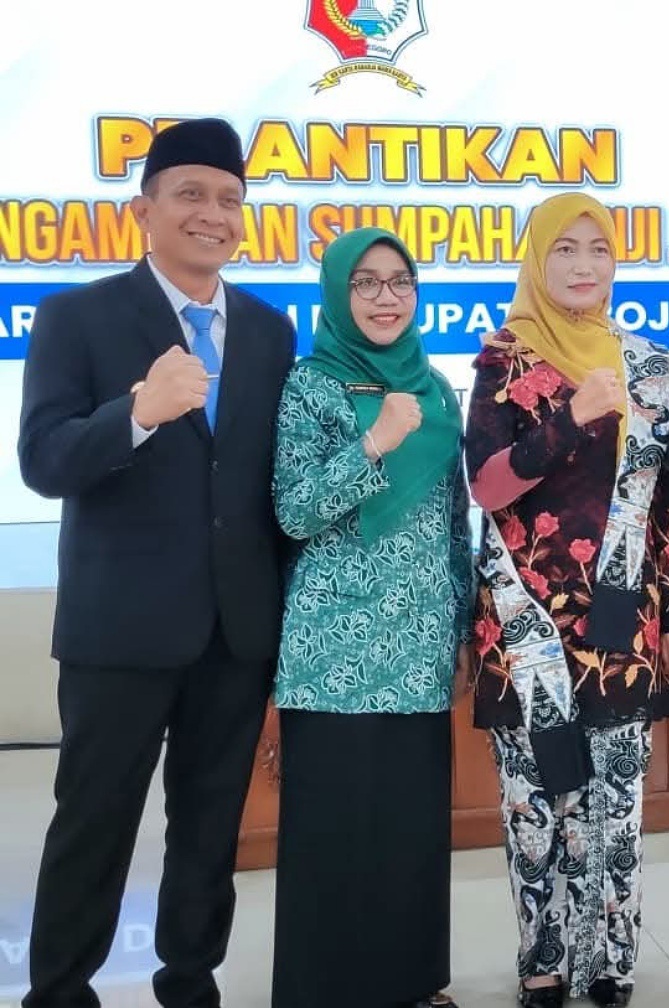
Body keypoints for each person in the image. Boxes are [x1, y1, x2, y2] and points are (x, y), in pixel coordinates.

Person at [16, 118, 296, 1008]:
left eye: (229, 199)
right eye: (190, 194)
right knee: (93, 823)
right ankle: (59, 991)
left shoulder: (270, 331)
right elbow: (42, 461)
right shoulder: (77, 316)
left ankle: (189, 982)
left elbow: (269, 484)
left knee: (209, 828)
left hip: (235, 630)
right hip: (120, 629)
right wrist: (137, 413)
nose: (212, 214)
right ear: (143, 210)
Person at [464, 192, 669, 1008]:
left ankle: (607, 963)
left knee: (614, 800)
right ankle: (543, 962)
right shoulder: (503, 360)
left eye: (598, 249)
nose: (583, 265)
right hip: (525, 623)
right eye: (564, 249)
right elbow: (488, 486)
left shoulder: (646, 364)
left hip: (621, 621)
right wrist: (569, 417)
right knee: (535, 800)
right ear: (538, 260)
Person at [269, 226, 471, 1008]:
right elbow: (294, 510)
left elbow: (454, 520)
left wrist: (460, 627)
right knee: (333, 833)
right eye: (366, 282)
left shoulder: (437, 388)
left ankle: (412, 984)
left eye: (400, 281)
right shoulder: (310, 384)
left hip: (420, 642)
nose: (386, 298)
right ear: (337, 293)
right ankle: (324, 992)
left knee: (411, 832)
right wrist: (375, 444)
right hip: (333, 652)